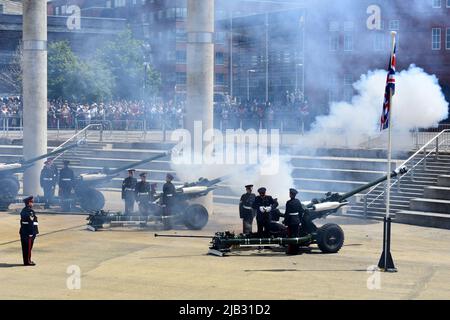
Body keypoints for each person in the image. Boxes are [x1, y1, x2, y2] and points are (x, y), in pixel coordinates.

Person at [283, 188, 305, 255]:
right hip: (297, 220)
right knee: (296, 235)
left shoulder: (288, 202)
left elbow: (287, 213)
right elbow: (301, 211)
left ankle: (291, 251)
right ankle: (296, 250)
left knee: (290, 236)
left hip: (291, 221)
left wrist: (285, 222)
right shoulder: (298, 201)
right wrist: (300, 220)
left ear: (290, 194)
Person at [19, 196, 39, 266]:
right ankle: (28, 261)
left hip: (24, 232)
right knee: (28, 248)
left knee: (25, 248)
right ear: (29, 203)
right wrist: (31, 233)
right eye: (32, 202)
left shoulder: (24, 210)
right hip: (29, 233)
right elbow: (30, 222)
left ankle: (27, 261)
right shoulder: (30, 211)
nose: (33, 203)